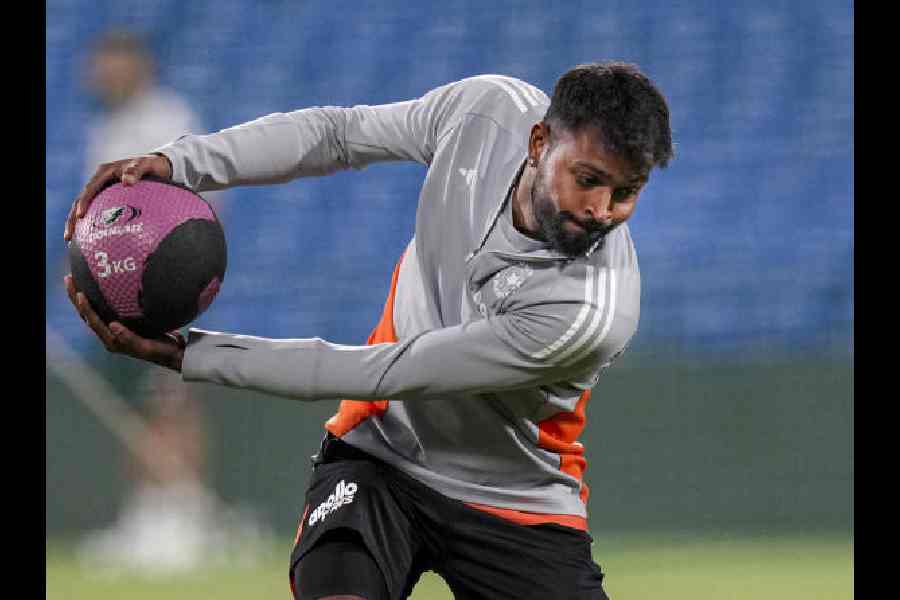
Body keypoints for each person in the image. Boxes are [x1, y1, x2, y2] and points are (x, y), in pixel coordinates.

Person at [64, 62, 673, 599]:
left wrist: (191, 355)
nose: (602, 210)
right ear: (540, 142)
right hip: (379, 454)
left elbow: (393, 368)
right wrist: (179, 162)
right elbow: (338, 134)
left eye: (627, 193)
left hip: (517, 504)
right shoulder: (483, 114)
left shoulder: (588, 311)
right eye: (588, 178)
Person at [73, 29, 225, 575]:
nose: (99, 73)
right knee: (137, 400)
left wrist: (173, 272)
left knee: (168, 396)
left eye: (110, 62)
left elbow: (196, 199)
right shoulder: (107, 127)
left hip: (162, 277)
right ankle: (147, 512)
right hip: (114, 282)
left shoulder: (165, 118)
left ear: (136, 65)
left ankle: (182, 513)